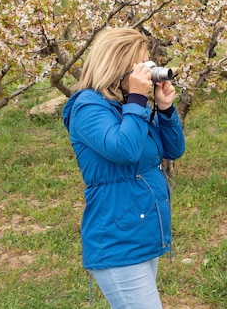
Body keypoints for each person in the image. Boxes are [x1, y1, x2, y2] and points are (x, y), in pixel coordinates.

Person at [62, 27, 185, 308]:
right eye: (140, 64)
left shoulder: (124, 106)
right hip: (116, 240)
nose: (147, 71)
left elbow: (173, 150)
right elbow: (124, 150)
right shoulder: (87, 106)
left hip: (141, 231)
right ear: (119, 64)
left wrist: (165, 109)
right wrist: (138, 99)